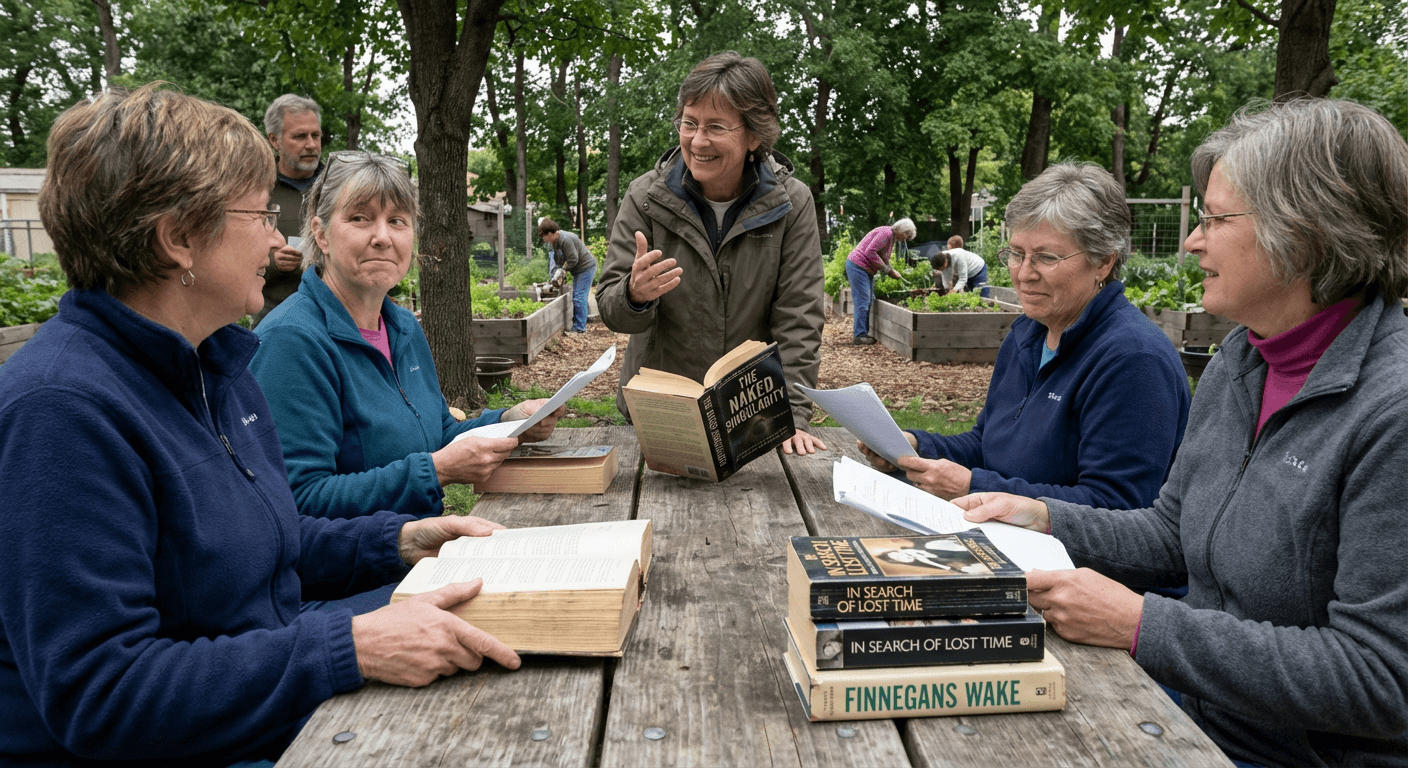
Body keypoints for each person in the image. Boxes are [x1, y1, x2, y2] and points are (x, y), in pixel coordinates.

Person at [0, 84, 522, 767]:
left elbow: (267, 539)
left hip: (269, 674)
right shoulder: (60, 409)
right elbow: (101, 694)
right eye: (260, 214)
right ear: (178, 239)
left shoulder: (213, 365)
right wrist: (352, 646)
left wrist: (400, 540)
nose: (280, 238)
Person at [959, 99, 1408, 767]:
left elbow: (1382, 681)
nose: (1194, 242)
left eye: (1215, 219)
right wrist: (1043, 516)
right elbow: (1173, 532)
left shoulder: (1390, 411)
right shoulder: (1242, 358)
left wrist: (1144, 626)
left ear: (1308, 230)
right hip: (1185, 712)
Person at [251, 151, 563, 520]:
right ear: (320, 234)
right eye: (360, 218)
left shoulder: (402, 326)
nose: (382, 237)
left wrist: (510, 422)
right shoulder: (291, 341)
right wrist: (437, 471)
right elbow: (298, 501)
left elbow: (437, 430)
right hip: (359, 572)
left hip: (421, 551)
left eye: (397, 220)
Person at [861, 163, 1190, 510]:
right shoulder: (1028, 334)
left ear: (1103, 262)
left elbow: (1116, 508)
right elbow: (986, 444)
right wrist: (916, 447)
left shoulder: (1133, 361)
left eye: (1046, 257)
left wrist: (974, 486)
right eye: (1017, 254)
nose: (1024, 274)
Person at [596, 51, 826, 456]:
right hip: (661, 412)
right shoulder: (646, 196)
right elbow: (612, 311)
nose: (697, 141)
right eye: (689, 123)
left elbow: (799, 317)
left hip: (750, 415)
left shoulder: (791, 203)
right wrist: (634, 295)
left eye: (716, 127)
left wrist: (791, 415)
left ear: (754, 135)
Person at [255, 93, 324, 325]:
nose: (311, 144)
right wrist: (273, 261)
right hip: (275, 319)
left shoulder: (339, 186)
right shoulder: (256, 189)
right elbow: (231, 254)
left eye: (316, 135)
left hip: (336, 319)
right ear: (274, 140)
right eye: (300, 136)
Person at [846, 219, 915, 344]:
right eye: (906, 235)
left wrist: (891, 270)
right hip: (858, 266)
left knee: (870, 299)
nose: (905, 239)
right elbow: (870, 252)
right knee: (863, 300)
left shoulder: (890, 237)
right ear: (901, 230)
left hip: (865, 268)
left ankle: (863, 332)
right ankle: (859, 335)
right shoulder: (886, 233)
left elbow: (882, 256)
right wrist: (887, 271)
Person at [539, 217, 596, 333]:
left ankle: (580, 328)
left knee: (579, 297)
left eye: (544, 236)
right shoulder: (555, 241)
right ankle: (585, 318)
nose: (545, 239)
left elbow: (573, 260)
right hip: (579, 270)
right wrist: (557, 272)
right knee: (578, 295)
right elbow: (558, 258)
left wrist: (563, 270)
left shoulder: (566, 239)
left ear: (550, 233)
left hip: (586, 268)